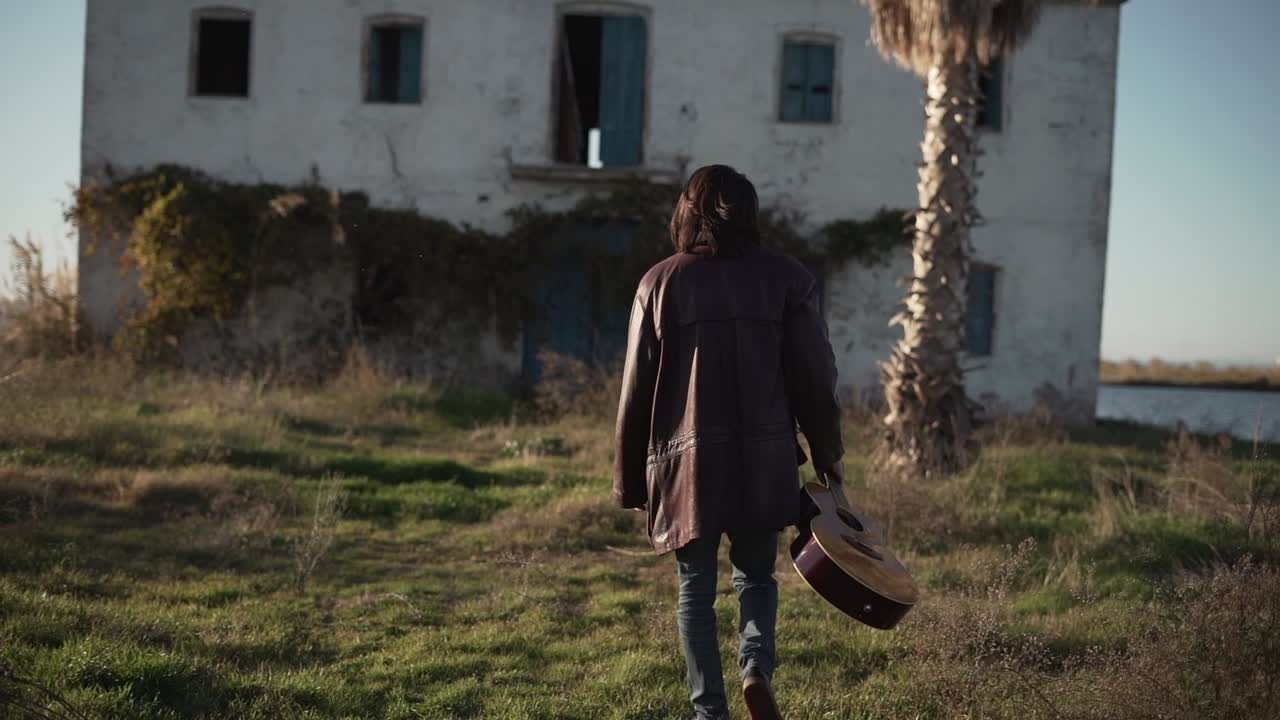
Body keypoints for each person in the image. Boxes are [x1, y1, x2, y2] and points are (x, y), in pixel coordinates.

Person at [613, 164, 845, 720]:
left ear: (687, 213)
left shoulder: (658, 283)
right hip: (765, 459)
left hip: (685, 465)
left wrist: (631, 479)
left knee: (695, 587)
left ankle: (708, 712)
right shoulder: (788, 279)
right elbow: (815, 377)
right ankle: (756, 669)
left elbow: (635, 391)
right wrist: (829, 456)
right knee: (757, 575)